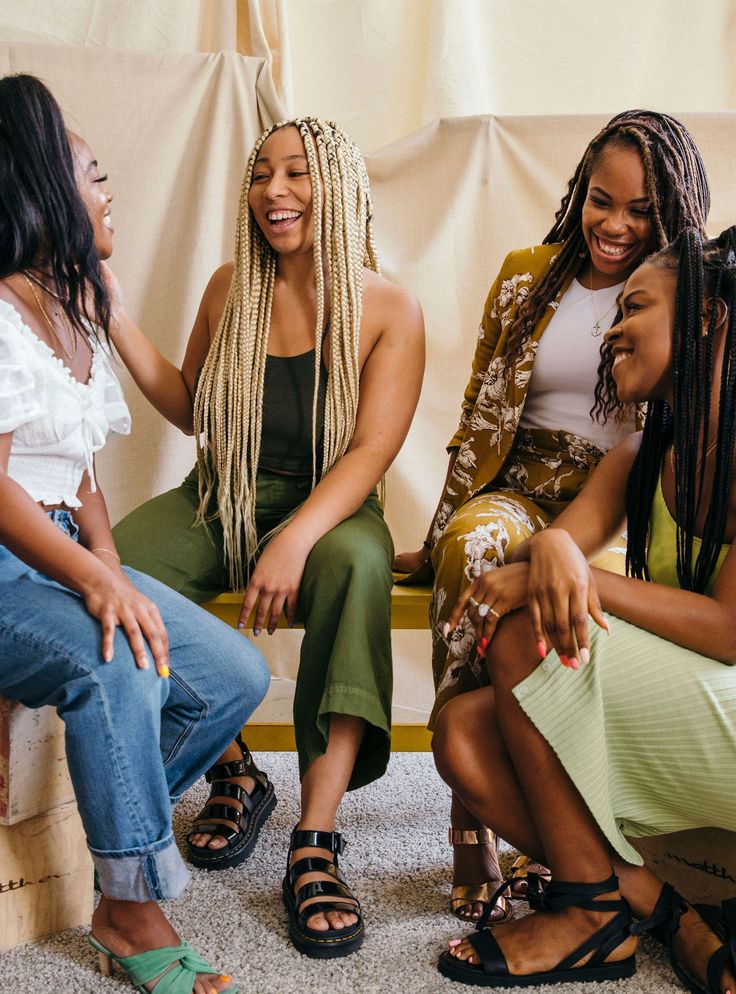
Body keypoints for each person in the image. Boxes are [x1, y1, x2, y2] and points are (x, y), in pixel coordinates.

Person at [110, 117, 425, 957]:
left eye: (296, 173)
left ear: (339, 185)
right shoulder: (228, 290)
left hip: (330, 503)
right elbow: (190, 406)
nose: (274, 191)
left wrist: (292, 541)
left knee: (359, 567)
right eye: (260, 175)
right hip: (222, 494)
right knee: (114, 568)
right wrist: (112, 314)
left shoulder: (390, 307)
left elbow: (371, 453)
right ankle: (234, 768)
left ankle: (316, 836)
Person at [393, 110, 711, 924]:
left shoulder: (686, 299)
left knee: (551, 614)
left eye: (640, 211)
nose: (614, 224)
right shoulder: (527, 273)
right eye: (600, 200)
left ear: (671, 211)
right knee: (478, 546)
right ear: (578, 192)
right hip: (523, 479)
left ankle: (566, 827)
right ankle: (474, 808)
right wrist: (437, 538)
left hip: (618, 503)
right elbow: (478, 412)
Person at [0, 74, 271, 994]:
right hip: (6, 561)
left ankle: (112, 831)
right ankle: (130, 911)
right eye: (95, 175)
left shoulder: (73, 310)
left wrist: (109, 565)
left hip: (63, 543)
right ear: (41, 188)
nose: (111, 193)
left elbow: (77, 473)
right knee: (115, 663)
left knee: (232, 675)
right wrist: (95, 580)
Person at [433, 225, 736, 990]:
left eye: (635, 307)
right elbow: (545, 554)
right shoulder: (641, 455)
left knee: (527, 629)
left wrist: (578, 574)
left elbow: (732, 635)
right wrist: (558, 551)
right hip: (694, 713)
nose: (612, 332)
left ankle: (586, 915)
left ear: (706, 318)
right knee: (462, 733)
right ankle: (649, 904)